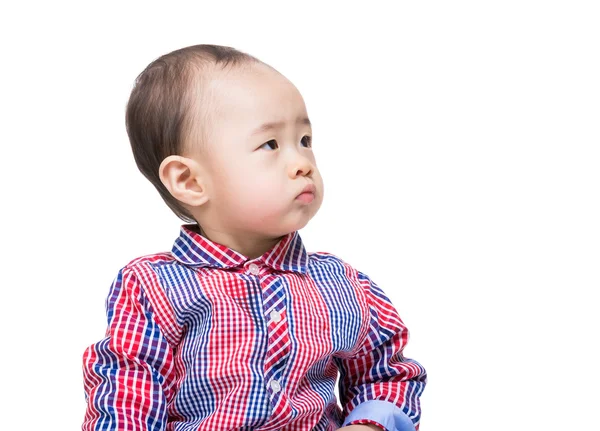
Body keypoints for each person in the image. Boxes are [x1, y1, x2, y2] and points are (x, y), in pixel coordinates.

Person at [82, 44, 427, 431]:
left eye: (305, 141)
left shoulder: (343, 284)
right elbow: (125, 402)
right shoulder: (153, 288)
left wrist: (369, 424)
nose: (302, 164)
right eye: (270, 145)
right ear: (189, 181)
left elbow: (387, 374)